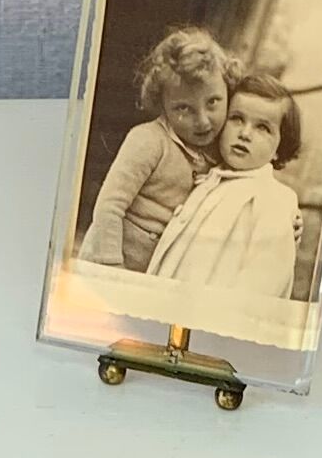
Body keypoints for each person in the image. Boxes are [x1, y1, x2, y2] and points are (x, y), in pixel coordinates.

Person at [77, 28, 232, 269]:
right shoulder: (149, 141)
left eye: (212, 102)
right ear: (162, 105)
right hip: (111, 264)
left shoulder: (222, 150)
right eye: (184, 108)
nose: (202, 121)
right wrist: (111, 266)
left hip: (160, 272)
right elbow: (109, 206)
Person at [147, 72, 304, 309]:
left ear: (278, 149)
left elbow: (263, 287)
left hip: (209, 318)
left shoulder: (274, 199)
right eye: (237, 119)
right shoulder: (208, 179)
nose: (245, 133)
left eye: (262, 127)